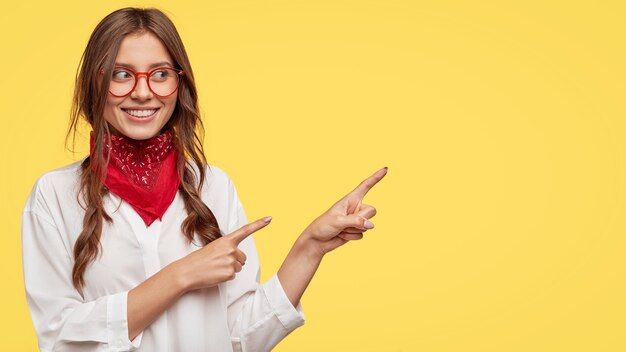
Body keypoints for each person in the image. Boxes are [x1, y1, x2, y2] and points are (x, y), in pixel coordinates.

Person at [21, 7, 387, 352]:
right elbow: (60, 340)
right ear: (94, 83)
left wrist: (310, 246)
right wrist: (181, 275)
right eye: (122, 74)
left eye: (161, 74)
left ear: (179, 85)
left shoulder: (214, 186)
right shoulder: (55, 195)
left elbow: (241, 338)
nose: (143, 91)